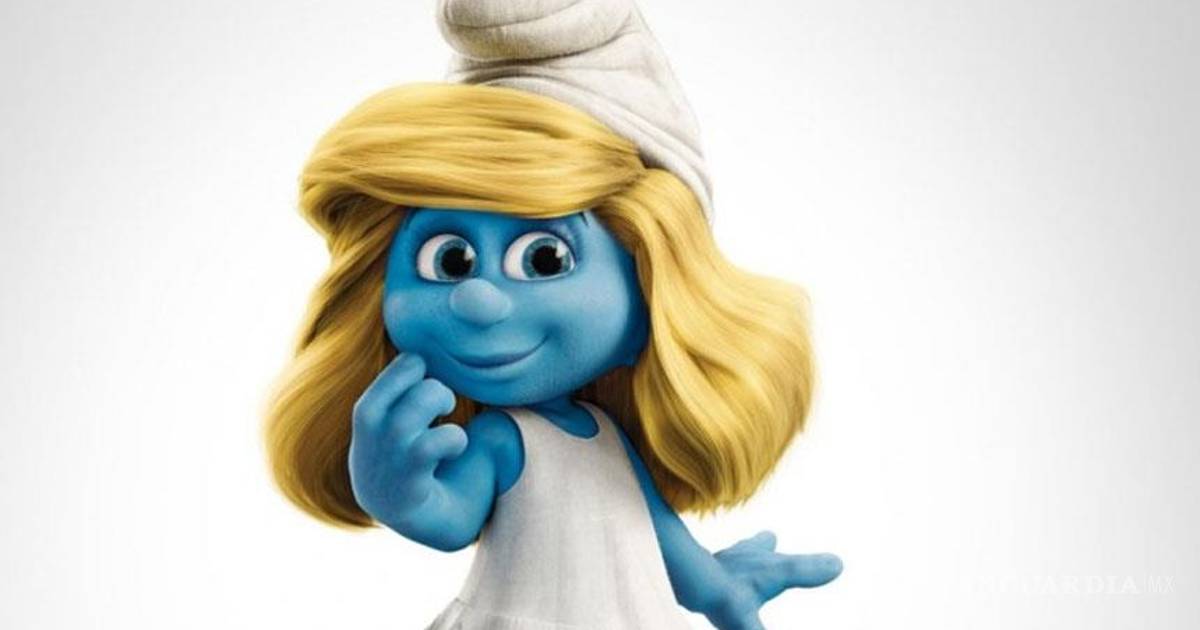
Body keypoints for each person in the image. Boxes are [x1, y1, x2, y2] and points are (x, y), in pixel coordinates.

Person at [265, 2, 841, 628]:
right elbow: (450, 520)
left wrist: (720, 591)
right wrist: (395, 491)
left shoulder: (606, 436)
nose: (477, 299)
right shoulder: (503, 440)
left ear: (654, 285)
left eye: (544, 258)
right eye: (449, 259)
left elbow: (659, 535)